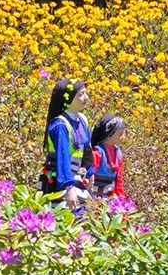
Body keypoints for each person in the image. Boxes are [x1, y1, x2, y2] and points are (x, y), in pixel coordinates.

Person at [38, 78, 95, 213]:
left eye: (86, 93)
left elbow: (87, 150)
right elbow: (62, 157)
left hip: (77, 179)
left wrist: (90, 172)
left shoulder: (82, 120)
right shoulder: (60, 125)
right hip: (59, 182)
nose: (86, 98)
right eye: (80, 94)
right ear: (68, 99)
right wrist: (68, 188)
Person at [90, 114, 127, 200]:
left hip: (109, 198)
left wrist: (121, 200)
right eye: (120, 134)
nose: (123, 137)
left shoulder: (118, 153)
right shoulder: (97, 153)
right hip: (92, 198)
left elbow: (119, 180)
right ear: (109, 135)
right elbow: (88, 176)